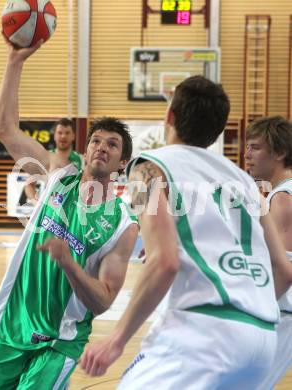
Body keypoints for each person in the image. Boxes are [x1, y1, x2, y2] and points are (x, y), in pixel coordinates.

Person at [80, 75, 292, 389]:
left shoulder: (148, 168)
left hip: (203, 335)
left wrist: (116, 338)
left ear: (170, 116)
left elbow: (165, 263)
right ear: (218, 130)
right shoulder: (246, 183)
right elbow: (284, 271)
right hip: (261, 338)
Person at [0, 40, 138, 390]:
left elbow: (104, 299)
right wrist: (14, 60)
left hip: (59, 341)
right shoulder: (59, 174)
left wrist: (69, 264)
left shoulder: (123, 225)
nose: (101, 148)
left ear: (122, 162)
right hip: (13, 323)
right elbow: (5, 129)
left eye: (112, 144)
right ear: (85, 147)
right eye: (96, 141)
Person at [245, 116, 292, 389]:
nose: (247, 154)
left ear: (279, 152)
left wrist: (252, 314)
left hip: (282, 315)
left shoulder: (283, 199)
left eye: (255, 147)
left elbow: (284, 271)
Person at [23, 118, 82, 205]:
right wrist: (37, 203)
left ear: (73, 136)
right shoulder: (45, 157)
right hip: (50, 210)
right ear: (54, 135)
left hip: (73, 211)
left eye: (67, 133)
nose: (63, 136)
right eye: (60, 133)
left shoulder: (82, 159)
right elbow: (29, 185)